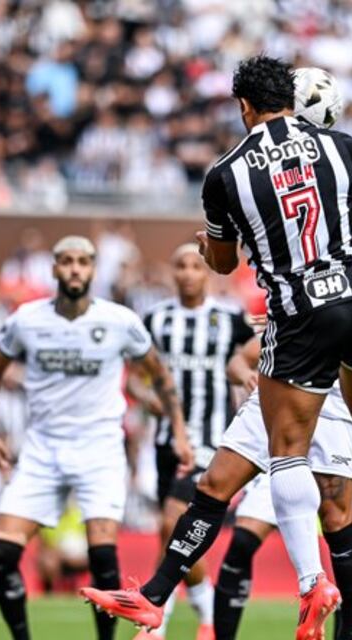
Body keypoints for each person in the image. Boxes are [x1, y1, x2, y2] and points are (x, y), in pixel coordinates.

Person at [81, 52, 352, 640]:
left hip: (301, 325)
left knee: (302, 473)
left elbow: (223, 261)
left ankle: (315, 588)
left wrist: (208, 250)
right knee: (225, 480)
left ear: (243, 106)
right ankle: (155, 596)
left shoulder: (226, 173)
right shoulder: (342, 148)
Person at [0, 235, 192, 640]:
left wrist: (178, 430)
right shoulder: (26, 319)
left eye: (83, 262)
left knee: (103, 556)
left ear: (93, 269)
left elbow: (160, 375)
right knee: (2, 550)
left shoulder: (119, 320)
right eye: (67, 261)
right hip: (42, 447)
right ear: (54, 268)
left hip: (100, 447)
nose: (75, 269)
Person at [214, 316, 352, 640]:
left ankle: (351, 632)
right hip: (292, 444)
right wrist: (247, 375)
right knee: (242, 541)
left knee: (350, 542)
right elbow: (239, 360)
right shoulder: (304, 307)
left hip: (349, 442)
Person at [138, 244, 253, 640]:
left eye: (195, 266)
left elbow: (257, 355)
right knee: (171, 532)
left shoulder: (230, 319)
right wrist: (146, 397)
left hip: (212, 439)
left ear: (206, 273)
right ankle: (207, 613)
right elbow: (135, 377)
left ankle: (156, 624)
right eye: (181, 266)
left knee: (173, 521)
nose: (188, 273)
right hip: (166, 441)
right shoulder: (156, 319)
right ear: (172, 273)